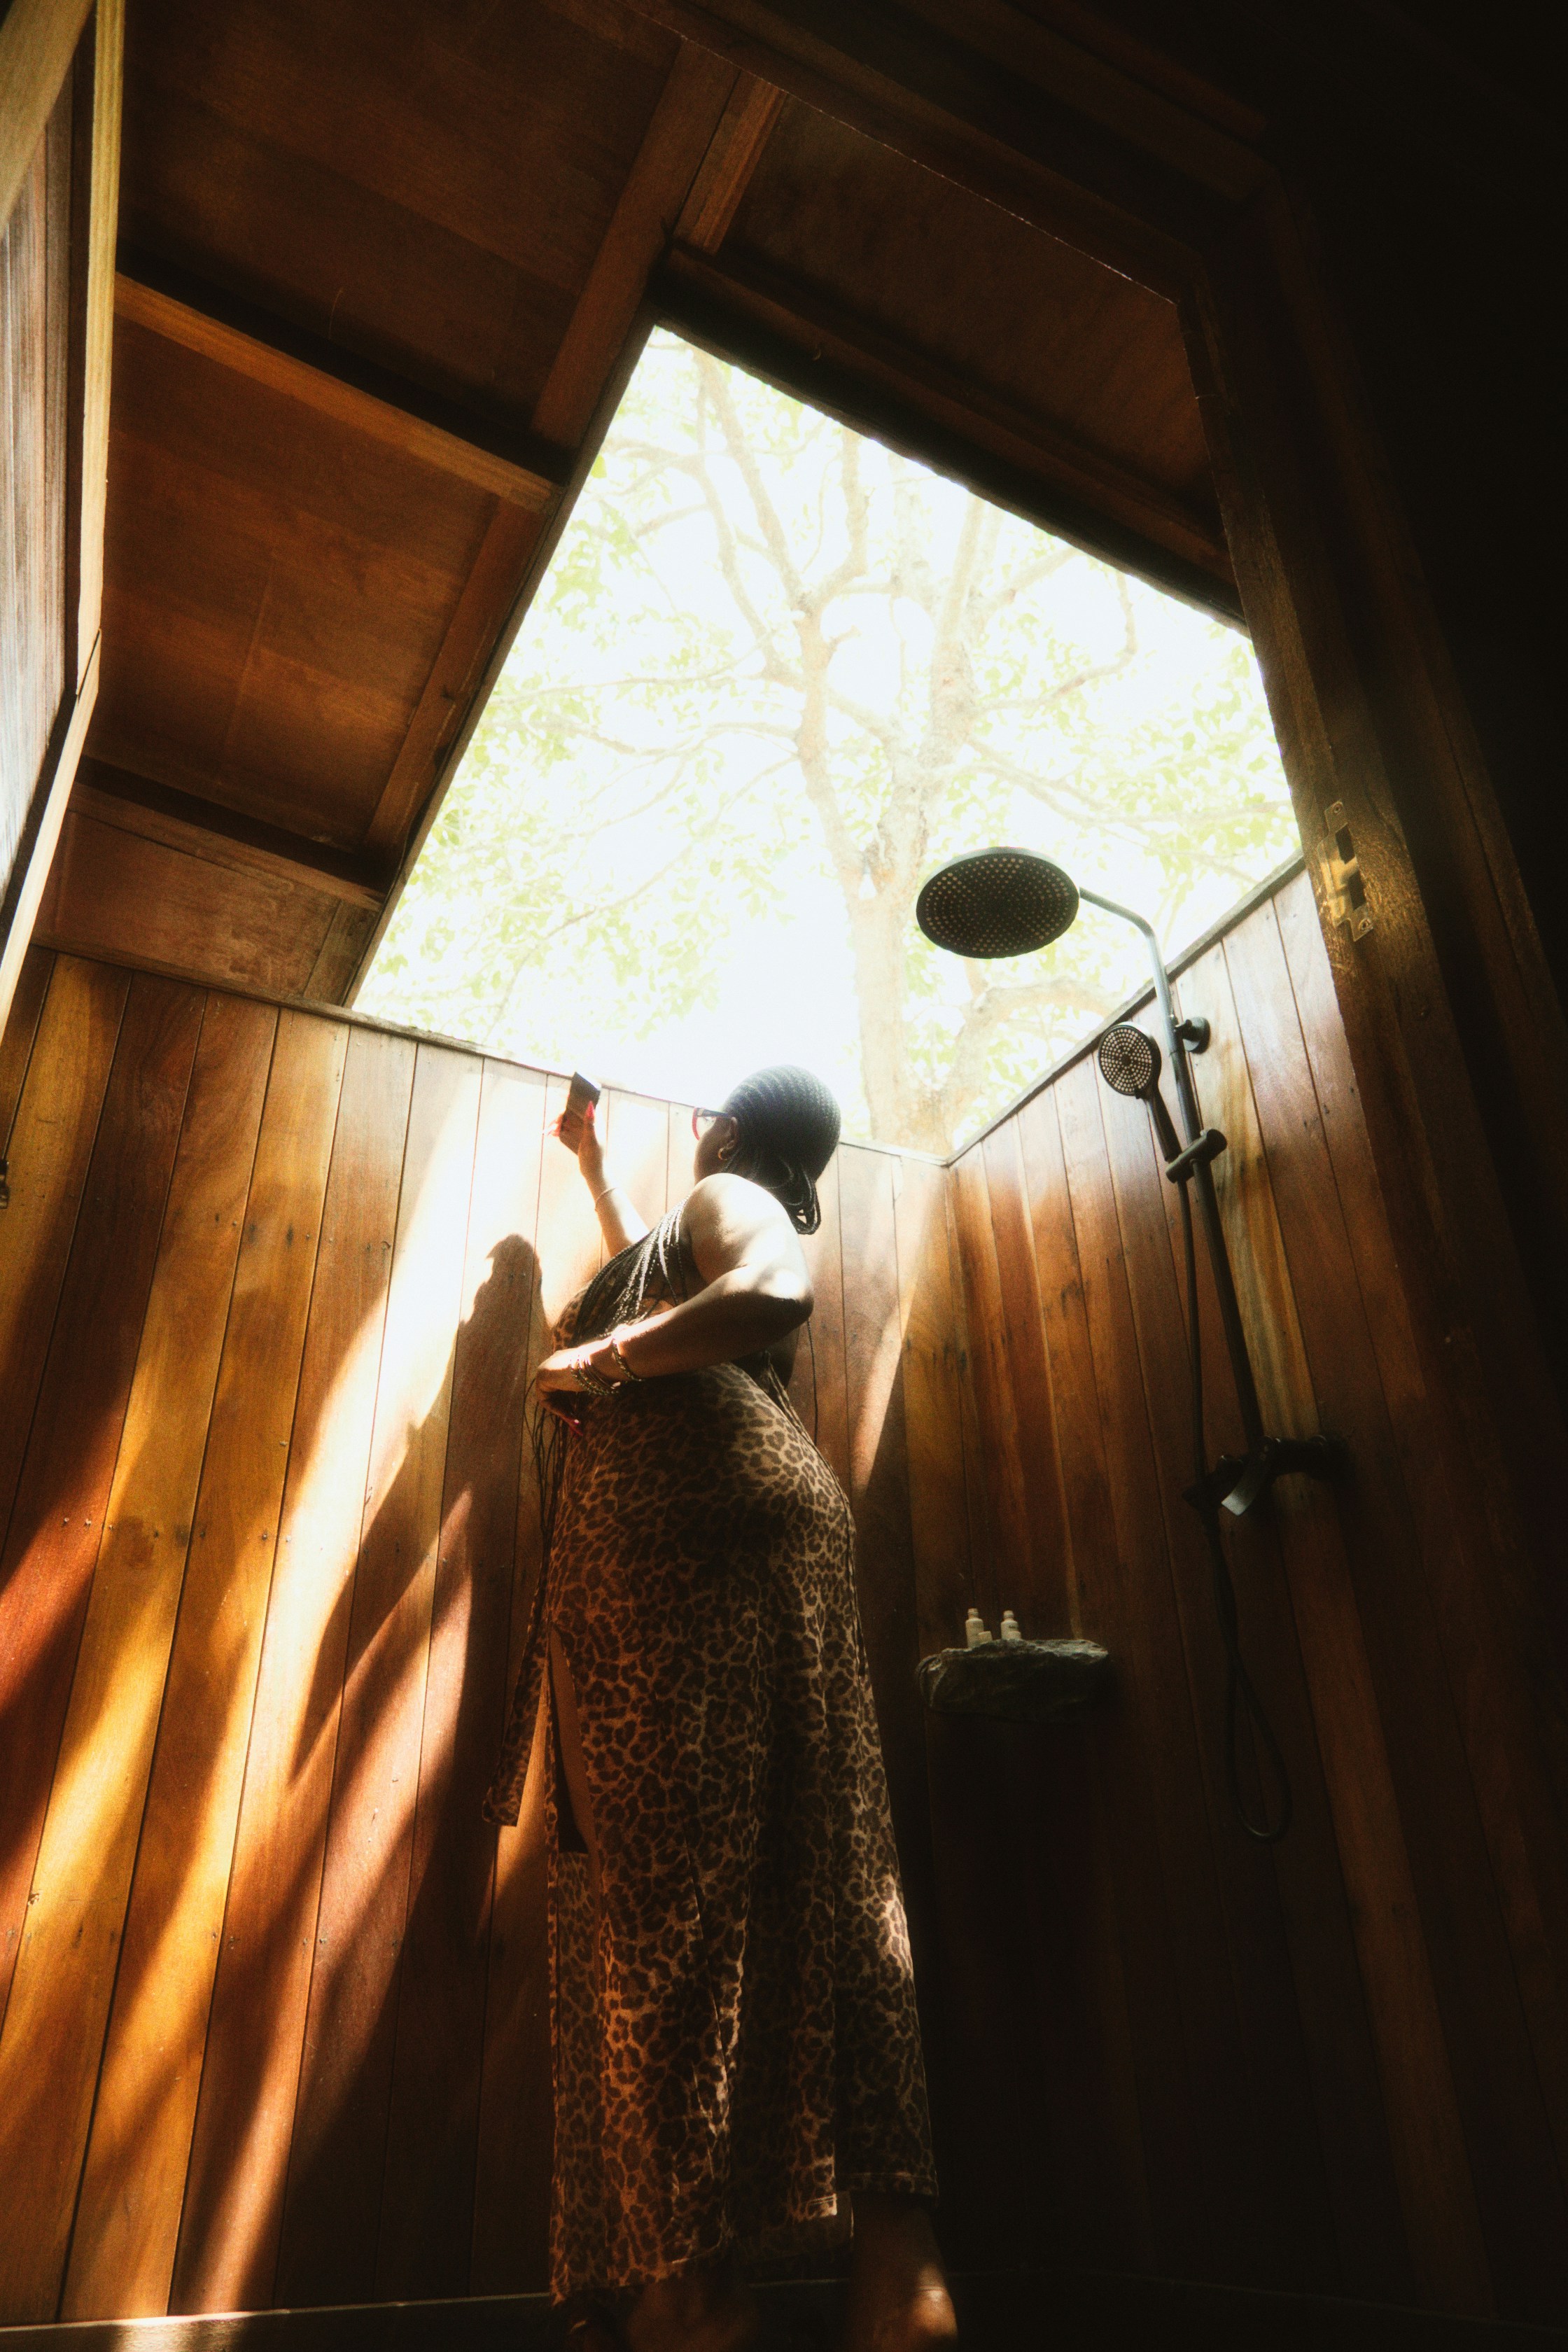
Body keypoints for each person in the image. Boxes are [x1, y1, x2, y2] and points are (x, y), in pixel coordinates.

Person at [484, 1067, 958, 2352]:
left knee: (659, 1901)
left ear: (728, 1131)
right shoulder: (686, 1236)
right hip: (770, 1534)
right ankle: (901, 2276)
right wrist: (592, 1167)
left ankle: (687, 2290)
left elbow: (770, 1285)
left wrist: (595, 1357)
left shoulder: (725, 1198)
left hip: (674, 1543)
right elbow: (664, 1270)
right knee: (833, 1877)